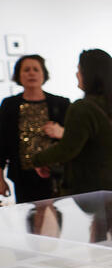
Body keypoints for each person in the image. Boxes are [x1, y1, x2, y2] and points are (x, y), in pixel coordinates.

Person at [32, 49, 112, 197]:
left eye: (79, 70)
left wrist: (38, 160)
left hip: (96, 187)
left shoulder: (82, 108)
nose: (77, 74)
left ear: (90, 74)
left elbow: (67, 149)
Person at [0, 54, 70, 203]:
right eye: (26, 70)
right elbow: (2, 143)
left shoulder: (61, 103)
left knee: (58, 221)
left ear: (43, 74)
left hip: (56, 176)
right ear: (18, 75)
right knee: (29, 222)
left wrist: (61, 132)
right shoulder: (9, 105)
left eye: (36, 69)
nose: (31, 73)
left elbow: (75, 137)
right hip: (23, 177)